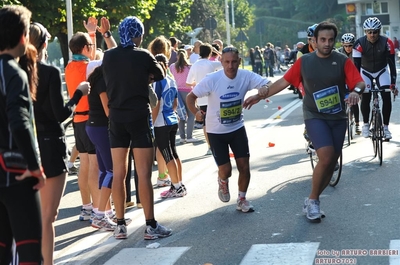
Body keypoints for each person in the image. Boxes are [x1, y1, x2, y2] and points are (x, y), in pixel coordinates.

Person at [244, 22, 366, 223]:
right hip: (314, 115)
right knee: (326, 157)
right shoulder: (305, 62)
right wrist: (259, 95)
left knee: (331, 162)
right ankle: (313, 200)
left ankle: (313, 199)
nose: (327, 44)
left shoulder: (342, 60)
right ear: (314, 41)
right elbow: (284, 82)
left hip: (338, 117)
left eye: (330, 40)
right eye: (322, 40)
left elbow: (359, 82)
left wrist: (355, 92)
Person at [102, 16, 172, 240]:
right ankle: (150, 225)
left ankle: (120, 225)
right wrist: (145, 76)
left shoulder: (108, 56)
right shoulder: (143, 55)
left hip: (116, 119)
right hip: (139, 117)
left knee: (119, 173)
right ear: (138, 34)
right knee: (143, 173)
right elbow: (160, 74)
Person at [27, 21, 89, 265]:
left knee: (27, 217)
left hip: (22, 149)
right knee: (47, 217)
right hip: (50, 146)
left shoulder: (12, 73)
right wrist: (79, 93)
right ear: (44, 45)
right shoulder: (49, 73)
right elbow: (61, 114)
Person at [186, 46, 271, 212]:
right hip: (215, 132)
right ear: (221, 62)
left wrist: (262, 92)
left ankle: (242, 199)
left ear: (239, 61)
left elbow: (268, 83)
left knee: (244, 166)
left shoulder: (246, 76)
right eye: (227, 62)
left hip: (237, 128)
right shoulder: (212, 79)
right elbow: (191, 97)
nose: (230, 66)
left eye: (234, 62)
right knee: (226, 170)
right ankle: (222, 180)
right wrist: (196, 112)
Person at [0, 5, 46, 264]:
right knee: (29, 255)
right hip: (15, 172)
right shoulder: (13, 73)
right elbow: (19, 123)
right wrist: (35, 166)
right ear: (22, 37)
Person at [65, 17, 116, 222]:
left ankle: (86, 207)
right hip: (91, 120)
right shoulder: (90, 66)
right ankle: (99, 209)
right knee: (95, 166)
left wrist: (91, 34)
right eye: (90, 45)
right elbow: (111, 54)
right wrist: (99, 34)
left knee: (84, 164)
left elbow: (91, 56)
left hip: (77, 120)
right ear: (86, 47)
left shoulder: (69, 67)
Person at [353, 17, 397, 140]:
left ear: (379, 31)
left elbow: (392, 66)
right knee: (366, 96)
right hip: (365, 72)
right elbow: (356, 67)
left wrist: (393, 84)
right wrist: (356, 85)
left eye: (375, 32)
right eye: (369, 32)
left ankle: (386, 127)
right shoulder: (359, 44)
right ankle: (366, 124)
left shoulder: (387, 43)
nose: (372, 35)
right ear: (365, 32)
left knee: (386, 96)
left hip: (381, 71)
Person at [152, 54, 185, 198]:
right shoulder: (171, 80)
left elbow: (155, 104)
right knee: (174, 153)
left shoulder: (158, 82)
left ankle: (177, 187)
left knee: (167, 155)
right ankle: (179, 183)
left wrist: (151, 124)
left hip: (161, 122)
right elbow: (175, 104)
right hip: (172, 120)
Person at [186, 43, 222, 155]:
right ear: (210, 53)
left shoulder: (195, 65)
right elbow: (225, 62)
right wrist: (218, 52)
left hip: (201, 98)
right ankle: (219, 143)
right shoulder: (211, 64)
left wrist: (196, 82)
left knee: (206, 122)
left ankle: (210, 146)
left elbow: (188, 83)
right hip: (214, 96)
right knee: (217, 120)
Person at [169, 49, 199, 143]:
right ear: (186, 56)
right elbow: (191, 82)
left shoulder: (172, 66)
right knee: (191, 114)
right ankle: (189, 136)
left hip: (177, 93)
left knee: (181, 114)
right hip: (189, 92)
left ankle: (182, 137)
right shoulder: (190, 67)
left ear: (177, 56)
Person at [337, 33, 361, 134]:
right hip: (342, 77)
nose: (348, 48)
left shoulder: (356, 53)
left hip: (354, 77)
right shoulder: (338, 53)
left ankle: (357, 124)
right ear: (342, 45)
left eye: (350, 45)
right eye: (345, 46)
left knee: (354, 100)